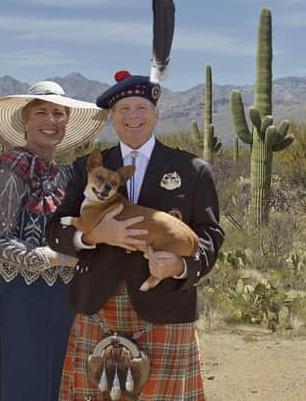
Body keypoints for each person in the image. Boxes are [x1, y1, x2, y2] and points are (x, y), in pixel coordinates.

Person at [46, 71, 225, 400]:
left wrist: (180, 266)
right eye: (124, 109)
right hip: (98, 306)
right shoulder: (86, 167)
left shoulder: (193, 170)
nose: (133, 117)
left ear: (156, 113)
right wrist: (95, 235)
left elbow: (211, 236)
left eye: (141, 107)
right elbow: (55, 230)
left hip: (166, 305)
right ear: (111, 117)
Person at [0, 81, 107, 400]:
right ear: (26, 120)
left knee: (60, 384)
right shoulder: (8, 170)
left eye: (59, 113)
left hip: (62, 299)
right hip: (19, 298)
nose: (51, 120)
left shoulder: (68, 177)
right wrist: (49, 258)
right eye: (42, 112)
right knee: (24, 382)